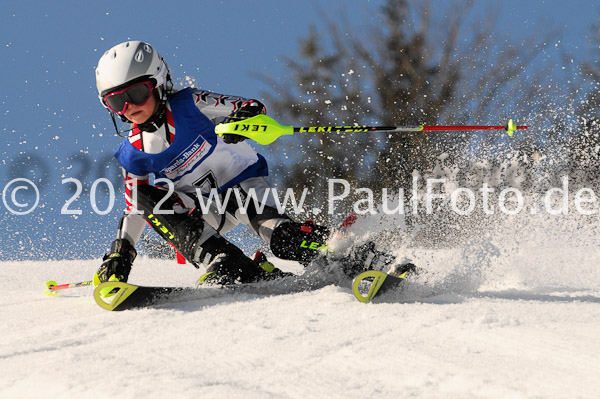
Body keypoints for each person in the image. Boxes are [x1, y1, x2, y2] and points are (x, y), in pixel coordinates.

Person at [92, 40, 396, 291]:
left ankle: (358, 257)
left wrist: (242, 121)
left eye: (136, 93)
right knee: (145, 194)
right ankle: (226, 260)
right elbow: (136, 208)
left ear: (158, 83)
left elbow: (249, 107)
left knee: (283, 239)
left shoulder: (189, 105)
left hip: (241, 189)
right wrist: (121, 253)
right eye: (116, 102)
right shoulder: (132, 155)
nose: (129, 107)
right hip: (202, 211)